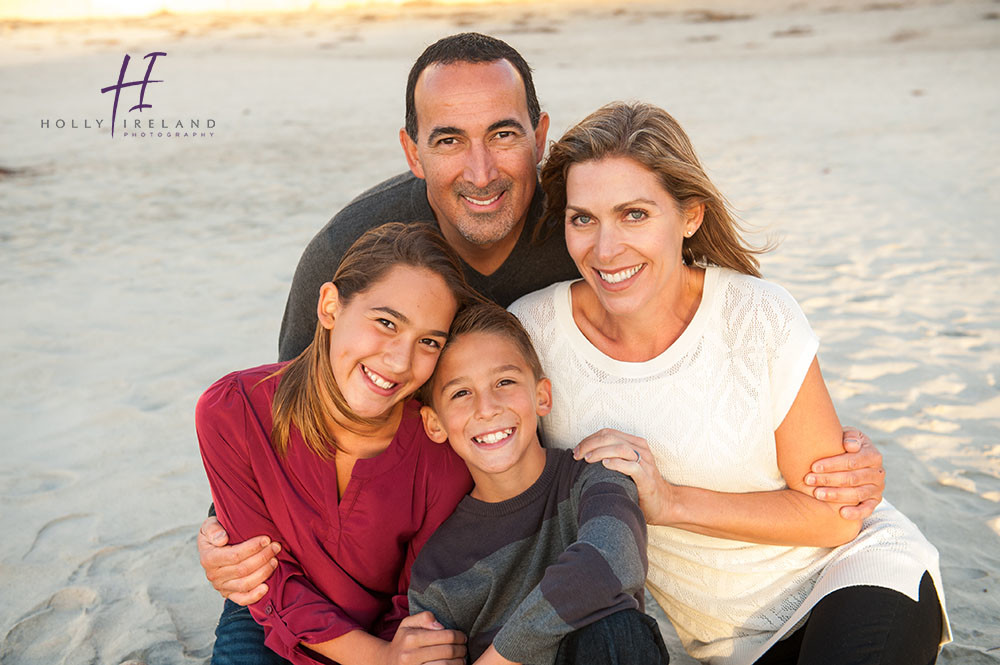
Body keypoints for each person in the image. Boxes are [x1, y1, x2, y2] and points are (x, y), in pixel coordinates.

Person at [196, 32, 887, 656]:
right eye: (447, 140)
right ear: (411, 151)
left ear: (539, 134)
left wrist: (834, 458)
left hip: (448, 551)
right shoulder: (350, 253)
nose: (481, 170)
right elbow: (284, 417)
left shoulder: (588, 232)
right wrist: (222, 532)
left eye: (502, 134)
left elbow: (712, 330)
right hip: (308, 574)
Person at [508, 101, 951, 665]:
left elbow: (832, 518)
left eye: (635, 214)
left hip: (851, 575)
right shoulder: (534, 333)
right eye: (583, 218)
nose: (605, 248)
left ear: (689, 216)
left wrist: (667, 502)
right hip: (730, 645)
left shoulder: (756, 315)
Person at [196, 223, 479, 665]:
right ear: (330, 306)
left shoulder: (441, 456)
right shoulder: (232, 410)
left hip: (389, 637)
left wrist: (394, 652)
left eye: (428, 342)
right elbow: (264, 578)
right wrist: (377, 659)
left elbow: (414, 599)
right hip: (271, 621)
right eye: (386, 322)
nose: (400, 361)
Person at [410, 303, 668, 665]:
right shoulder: (438, 567)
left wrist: (498, 658)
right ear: (434, 424)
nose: (487, 408)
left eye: (504, 382)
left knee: (617, 628)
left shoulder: (594, 477)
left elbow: (612, 560)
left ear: (542, 396)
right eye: (461, 393)